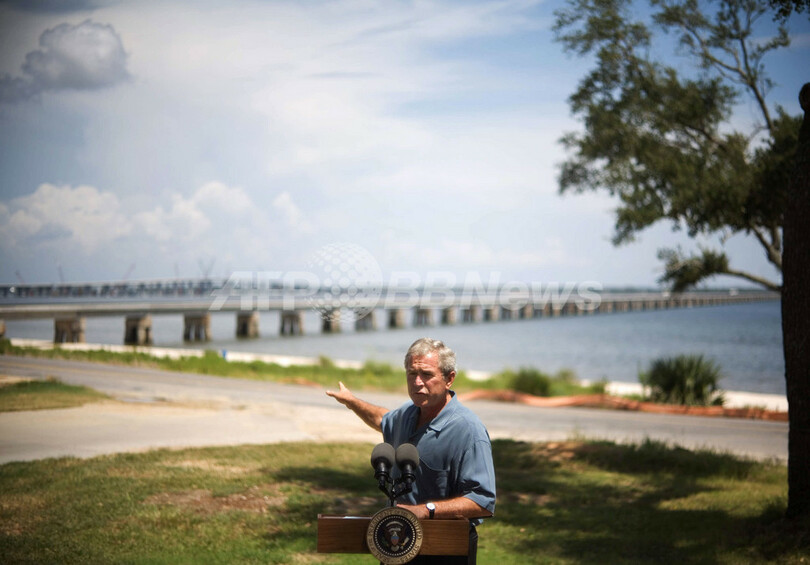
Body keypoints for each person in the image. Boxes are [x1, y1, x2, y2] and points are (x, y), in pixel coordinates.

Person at [326, 337, 496, 564]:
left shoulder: (468, 430)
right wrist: (351, 401)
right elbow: (382, 419)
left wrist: (427, 510)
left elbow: (482, 501)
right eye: (411, 373)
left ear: (449, 379)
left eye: (426, 374)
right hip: (397, 543)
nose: (417, 382)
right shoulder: (408, 412)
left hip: (445, 548)